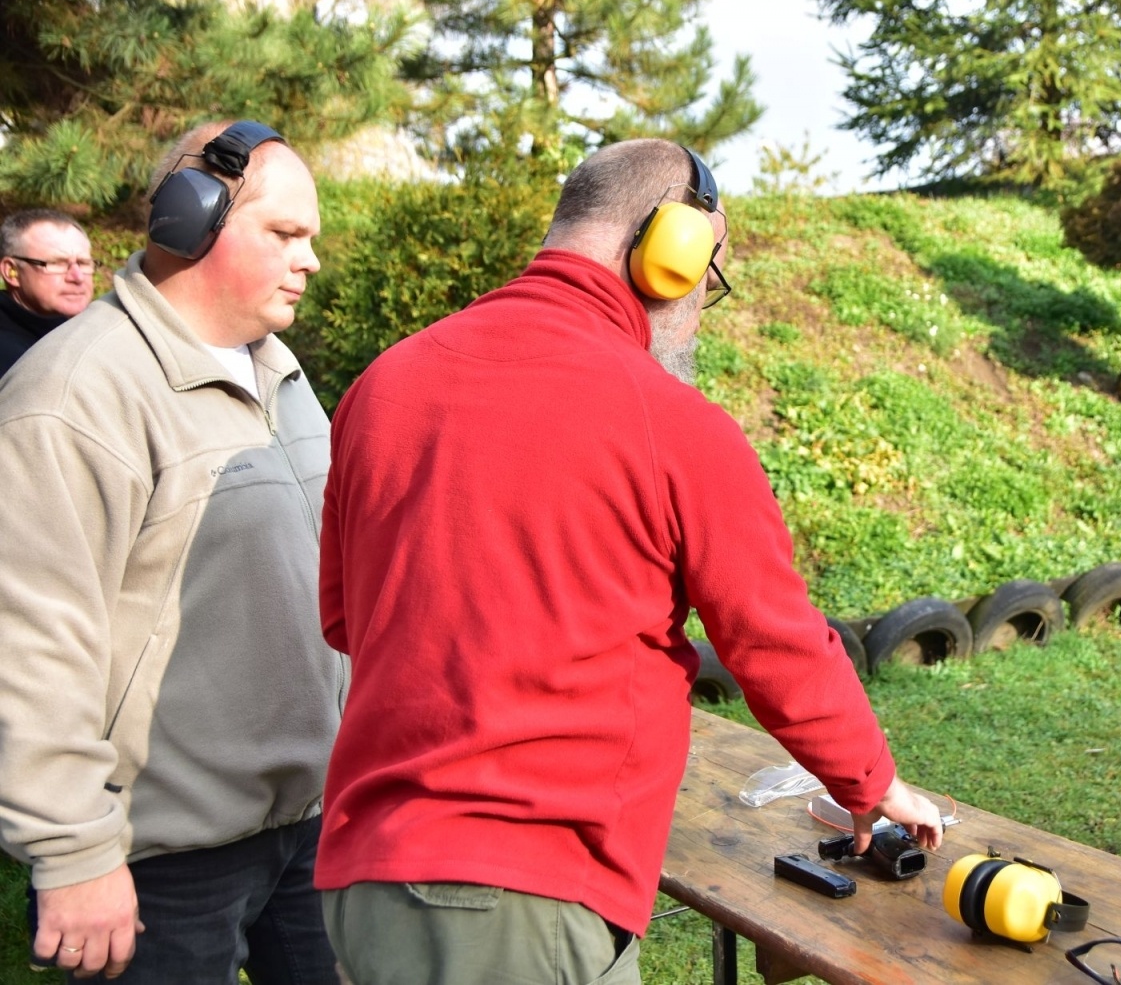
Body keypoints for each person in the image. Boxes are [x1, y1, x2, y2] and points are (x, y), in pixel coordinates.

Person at [315, 138, 944, 984]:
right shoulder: (676, 427)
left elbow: (348, 619)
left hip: (367, 885)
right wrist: (874, 787)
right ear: (669, 252)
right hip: (517, 904)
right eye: (707, 278)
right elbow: (776, 642)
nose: (696, 307)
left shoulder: (380, 386)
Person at [0, 121, 345, 983]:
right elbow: (30, 644)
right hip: (161, 860)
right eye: (286, 235)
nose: (309, 261)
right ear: (191, 222)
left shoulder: (280, 371)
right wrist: (74, 855)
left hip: (312, 826)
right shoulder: (73, 397)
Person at [0, 209, 95, 375]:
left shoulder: (96, 331)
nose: (77, 277)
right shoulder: (9, 359)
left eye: (83, 263)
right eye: (56, 263)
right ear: (11, 272)